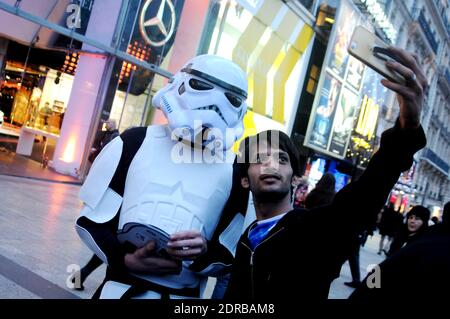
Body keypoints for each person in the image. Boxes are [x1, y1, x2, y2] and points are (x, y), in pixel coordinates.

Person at [224, 46, 428, 300]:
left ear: (296, 177)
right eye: (259, 159)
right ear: (245, 179)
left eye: (282, 158)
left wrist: (406, 130)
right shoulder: (247, 238)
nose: (271, 164)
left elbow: (365, 195)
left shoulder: (318, 231)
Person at [75, 55, 250, 299]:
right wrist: (123, 259)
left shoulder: (236, 172)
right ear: (177, 83)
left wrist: (203, 253)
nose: (214, 106)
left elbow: (231, 253)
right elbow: (90, 221)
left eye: (230, 99)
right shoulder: (134, 142)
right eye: (201, 86)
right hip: (119, 290)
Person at [350, 201, 450, 302]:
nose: (412, 221)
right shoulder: (402, 236)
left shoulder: (423, 241)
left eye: (417, 219)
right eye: (410, 217)